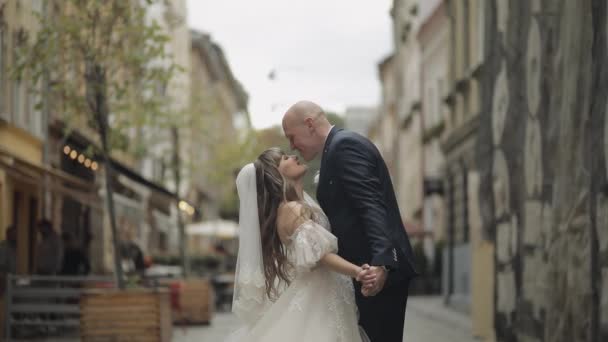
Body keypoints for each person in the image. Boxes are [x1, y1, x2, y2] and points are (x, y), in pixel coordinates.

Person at [282, 101, 418, 342]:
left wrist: (382, 263)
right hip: (364, 272)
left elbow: (370, 205)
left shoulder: (344, 146)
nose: (292, 146)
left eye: (292, 137)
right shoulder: (334, 149)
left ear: (310, 125)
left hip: (374, 274)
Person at [226, 148, 371, 342]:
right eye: (285, 158)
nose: (294, 156)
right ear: (277, 173)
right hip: (318, 300)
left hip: (327, 294)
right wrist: (358, 272)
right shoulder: (293, 210)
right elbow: (320, 255)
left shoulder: (300, 203)